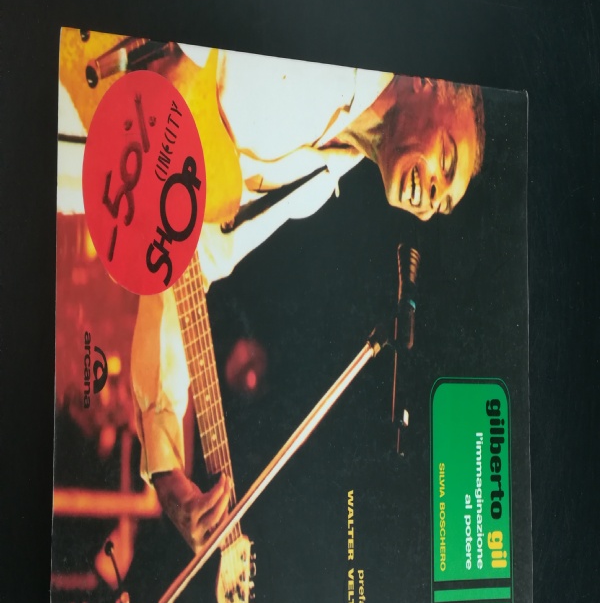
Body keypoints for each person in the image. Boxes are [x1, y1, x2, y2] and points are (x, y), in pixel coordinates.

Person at [128, 47, 486, 553]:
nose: (429, 198)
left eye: (441, 204)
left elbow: (188, 254)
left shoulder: (319, 183)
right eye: (446, 163)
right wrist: (183, 52)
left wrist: (165, 466)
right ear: (427, 79)